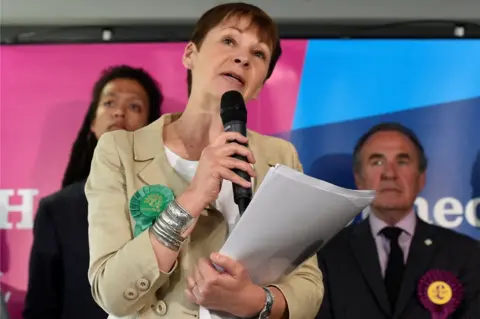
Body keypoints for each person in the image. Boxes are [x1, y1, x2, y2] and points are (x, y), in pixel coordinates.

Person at [85, 3, 324, 319]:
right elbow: (110, 293)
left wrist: (254, 300)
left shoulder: (279, 158)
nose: (242, 58)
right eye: (229, 40)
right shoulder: (119, 150)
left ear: (262, 82)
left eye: (259, 54)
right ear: (189, 55)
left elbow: (308, 285)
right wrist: (192, 198)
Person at [23, 65, 163, 319]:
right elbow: (41, 307)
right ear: (93, 121)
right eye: (109, 103)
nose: (119, 112)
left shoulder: (166, 198)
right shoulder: (57, 209)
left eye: (135, 106)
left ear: (150, 125)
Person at [316, 122, 480, 319]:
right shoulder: (328, 255)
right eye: (377, 162)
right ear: (359, 179)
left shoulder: (466, 255)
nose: (389, 174)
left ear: (421, 178)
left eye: (402, 161)